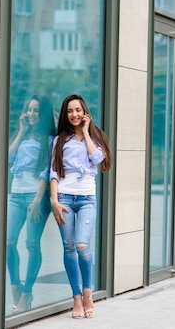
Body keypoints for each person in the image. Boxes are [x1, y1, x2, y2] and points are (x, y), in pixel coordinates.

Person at [49, 94, 112, 319]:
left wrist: (86, 132)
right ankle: (76, 298)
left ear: (84, 112)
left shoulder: (96, 136)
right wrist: (54, 201)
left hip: (86, 199)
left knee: (82, 245)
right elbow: (54, 172)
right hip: (64, 199)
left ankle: (88, 293)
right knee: (69, 248)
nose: (73, 114)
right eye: (69, 111)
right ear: (65, 115)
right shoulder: (59, 141)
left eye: (77, 110)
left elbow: (98, 160)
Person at [6, 95, 56, 313]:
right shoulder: (24, 134)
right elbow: (8, 157)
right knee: (7, 242)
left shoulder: (49, 139)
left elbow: (47, 170)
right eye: (30, 109)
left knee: (31, 244)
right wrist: (20, 130)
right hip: (16, 195)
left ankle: (27, 293)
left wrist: (37, 201)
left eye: (36, 110)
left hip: (36, 197)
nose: (32, 114)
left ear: (43, 113)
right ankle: (16, 288)